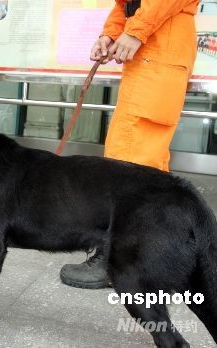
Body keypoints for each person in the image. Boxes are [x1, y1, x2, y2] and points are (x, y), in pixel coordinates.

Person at [60, 0, 200, 289]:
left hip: (159, 50)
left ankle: (118, 262)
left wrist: (135, 30)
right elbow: (126, 3)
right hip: (155, 53)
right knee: (147, 168)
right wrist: (110, 35)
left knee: (128, 166)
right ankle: (153, 256)